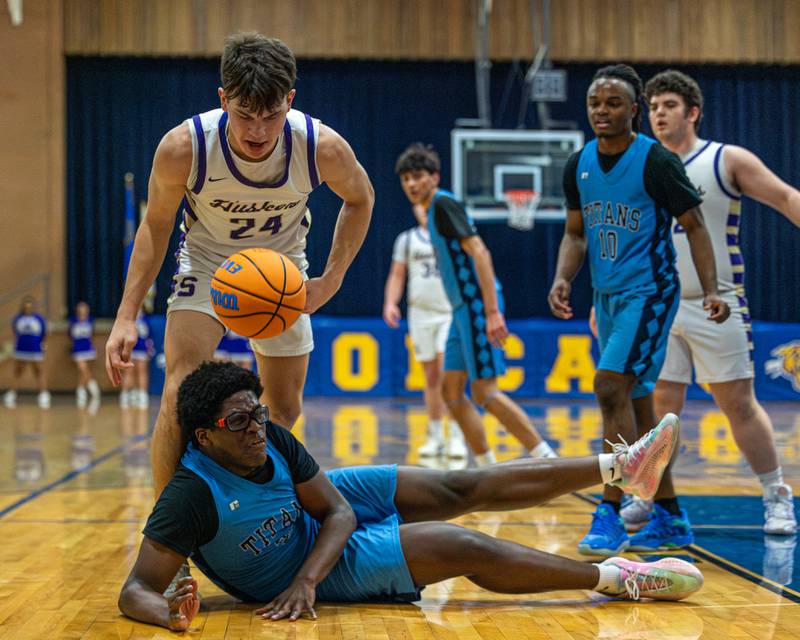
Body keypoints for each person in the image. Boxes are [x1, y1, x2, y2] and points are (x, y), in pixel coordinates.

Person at [118, 361, 702, 631]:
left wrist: (306, 582)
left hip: (314, 539)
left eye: (259, 414)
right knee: (460, 545)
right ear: (203, 436)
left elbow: (337, 511)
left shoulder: (269, 439)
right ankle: (617, 577)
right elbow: (137, 588)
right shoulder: (191, 496)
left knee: (457, 485)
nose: (256, 428)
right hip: (301, 564)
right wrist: (168, 615)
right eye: (239, 421)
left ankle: (622, 467)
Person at [104, 33, 374, 502]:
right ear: (223, 98)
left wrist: (331, 280)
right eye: (245, 115)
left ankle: (245, 509)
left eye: (272, 116)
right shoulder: (183, 148)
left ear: (290, 100)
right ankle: (170, 541)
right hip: (208, 261)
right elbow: (155, 225)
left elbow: (361, 198)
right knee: (180, 389)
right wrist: (126, 314)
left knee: (283, 408)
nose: (258, 131)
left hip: (281, 269)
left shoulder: (320, 146)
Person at [548, 64, 730, 556]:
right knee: (642, 408)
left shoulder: (656, 161)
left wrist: (711, 290)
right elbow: (575, 232)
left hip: (650, 293)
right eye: (594, 103)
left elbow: (694, 225)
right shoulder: (578, 163)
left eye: (613, 103)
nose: (601, 111)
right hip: (606, 296)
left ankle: (609, 508)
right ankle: (670, 516)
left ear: (634, 110)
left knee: (609, 386)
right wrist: (565, 277)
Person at [618, 69, 800, 541]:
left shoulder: (724, 159)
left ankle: (775, 494)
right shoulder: (639, 164)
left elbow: (784, 197)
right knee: (660, 411)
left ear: (692, 112)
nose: (658, 113)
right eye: (653, 107)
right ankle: (649, 496)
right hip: (657, 307)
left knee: (737, 404)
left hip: (714, 301)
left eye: (669, 106)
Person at [394, 144, 556, 465]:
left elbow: (480, 252)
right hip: (460, 312)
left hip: (475, 307)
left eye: (418, 177)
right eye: (406, 179)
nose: (411, 185)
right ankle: (486, 466)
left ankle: (545, 458)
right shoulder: (433, 209)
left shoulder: (442, 204)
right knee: (451, 392)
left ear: (434, 177)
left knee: (485, 391)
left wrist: (491, 311)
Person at [383, 203, 467, 458]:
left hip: (448, 313)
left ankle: (456, 435)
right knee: (430, 377)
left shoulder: (453, 236)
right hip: (420, 314)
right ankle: (434, 435)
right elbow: (397, 274)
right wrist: (390, 302)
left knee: (446, 373)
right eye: (420, 208)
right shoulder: (407, 239)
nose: (424, 212)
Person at [3, 296, 50, 409]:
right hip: (21, 348)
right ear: (23, 307)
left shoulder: (39, 319)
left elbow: (44, 333)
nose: (27, 308)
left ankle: (43, 394)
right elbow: (16, 331)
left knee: (38, 371)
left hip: (35, 348)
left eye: (30, 306)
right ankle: (12, 393)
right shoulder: (17, 318)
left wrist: (42, 344)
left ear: (33, 307)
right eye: (25, 307)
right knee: (18, 371)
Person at [70, 301, 101, 408]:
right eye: (81, 310)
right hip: (77, 349)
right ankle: (91, 387)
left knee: (85, 370)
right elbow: (70, 335)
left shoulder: (91, 321)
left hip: (88, 349)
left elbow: (92, 335)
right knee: (82, 368)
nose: (83, 312)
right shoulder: (73, 321)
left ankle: (82, 389)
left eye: (85, 310)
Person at [121, 311, 154, 409]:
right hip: (130, 349)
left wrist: (149, 349)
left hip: (142, 349)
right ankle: (126, 395)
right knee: (128, 372)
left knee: (142, 372)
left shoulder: (145, 320)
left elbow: (149, 337)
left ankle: (143, 395)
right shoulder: (127, 319)